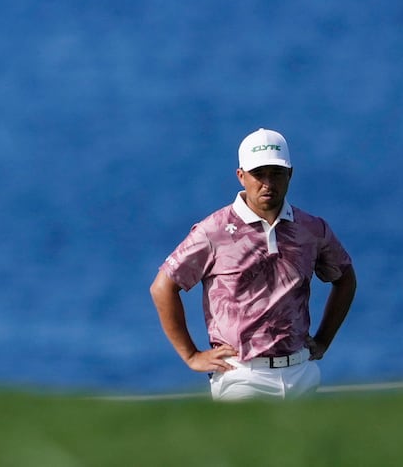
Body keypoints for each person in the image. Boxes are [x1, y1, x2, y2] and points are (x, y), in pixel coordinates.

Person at [149, 128, 356, 401]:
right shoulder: (214, 231)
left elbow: (345, 278)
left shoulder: (311, 229)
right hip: (241, 377)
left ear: (290, 175)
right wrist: (191, 355)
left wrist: (323, 341)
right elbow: (163, 287)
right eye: (259, 174)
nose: (268, 183)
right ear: (241, 176)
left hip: (300, 372)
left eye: (276, 173)